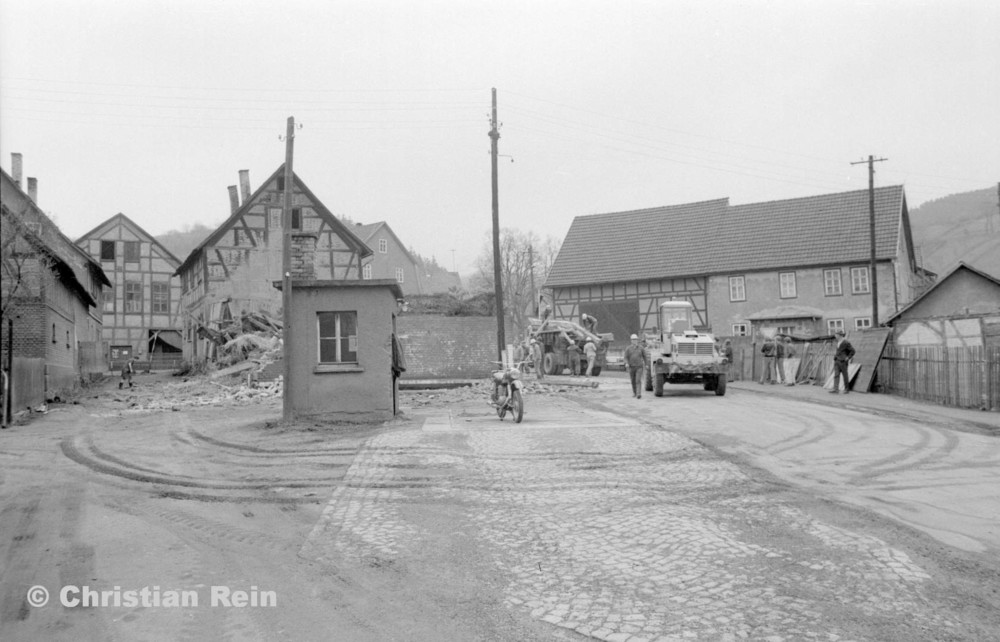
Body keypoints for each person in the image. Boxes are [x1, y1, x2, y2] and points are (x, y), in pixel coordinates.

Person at [830, 329, 855, 394]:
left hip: (843, 361)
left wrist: (848, 358)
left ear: (840, 335)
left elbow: (853, 351)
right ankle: (836, 389)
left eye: (836, 335)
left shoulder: (846, 342)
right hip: (837, 360)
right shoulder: (838, 342)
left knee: (845, 375)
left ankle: (846, 389)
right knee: (836, 375)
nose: (835, 336)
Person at [624, 334, 647, 399]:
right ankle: (635, 392)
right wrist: (626, 363)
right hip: (631, 367)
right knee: (633, 380)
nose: (635, 341)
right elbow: (625, 357)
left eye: (636, 339)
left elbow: (645, 356)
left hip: (639, 367)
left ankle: (639, 394)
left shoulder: (641, 348)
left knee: (638, 380)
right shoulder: (628, 348)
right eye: (633, 339)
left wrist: (646, 364)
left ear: (637, 340)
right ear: (631, 340)